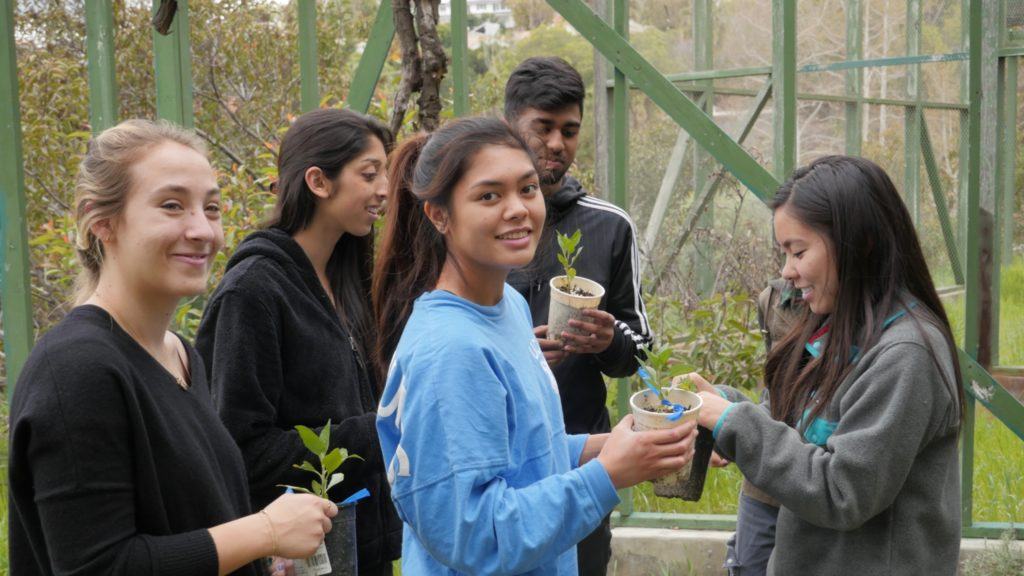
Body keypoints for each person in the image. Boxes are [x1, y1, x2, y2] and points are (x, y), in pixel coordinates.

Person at [8, 119, 336, 576]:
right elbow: (98, 567)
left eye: (213, 208)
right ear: (101, 222)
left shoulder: (180, 356)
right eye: (171, 205)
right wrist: (263, 531)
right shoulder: (76, 369)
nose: (202, 230)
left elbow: (192, 526)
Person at [372, 116, 697, 575]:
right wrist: (607, 476)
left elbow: (525, 454)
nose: (519, 209)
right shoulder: (451, 352)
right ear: (439, 215)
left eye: (527, 189)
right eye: (489, 195)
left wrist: (628, 445)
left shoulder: (507, 304)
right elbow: (475, 535)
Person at [685, 155, 965, 575]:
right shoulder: (836, 330)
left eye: (798, 252)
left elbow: (843, 490)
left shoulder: (906, 356)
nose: (787, 272)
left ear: (860, 242)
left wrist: (734, 423)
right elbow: (799, 430)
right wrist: (721, 408)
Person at [195, 108, 402, 575]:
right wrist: (381, 429)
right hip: (294, 559)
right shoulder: (252, 292)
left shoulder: (346, 279)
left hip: (359, 546)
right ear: (318, 181)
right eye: (369, 174)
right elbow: (240, 451)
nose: (384, 190)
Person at [504, 56, 653, 576]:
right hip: (500, 457)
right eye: (542, 127)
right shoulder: (476, 225)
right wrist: (515, 348)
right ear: (511, 126)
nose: (557, 144)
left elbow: (640, 349)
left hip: (584, 453)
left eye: (569, 130)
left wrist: (609, 340)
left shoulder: (608, 226)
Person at [720, 278, 802, 576]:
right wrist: (730, 422)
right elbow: (774, 397)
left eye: (799, 251)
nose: (787, 268)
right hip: (765, 483)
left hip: (817, 481)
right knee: (751, 563)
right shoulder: (773, 299)